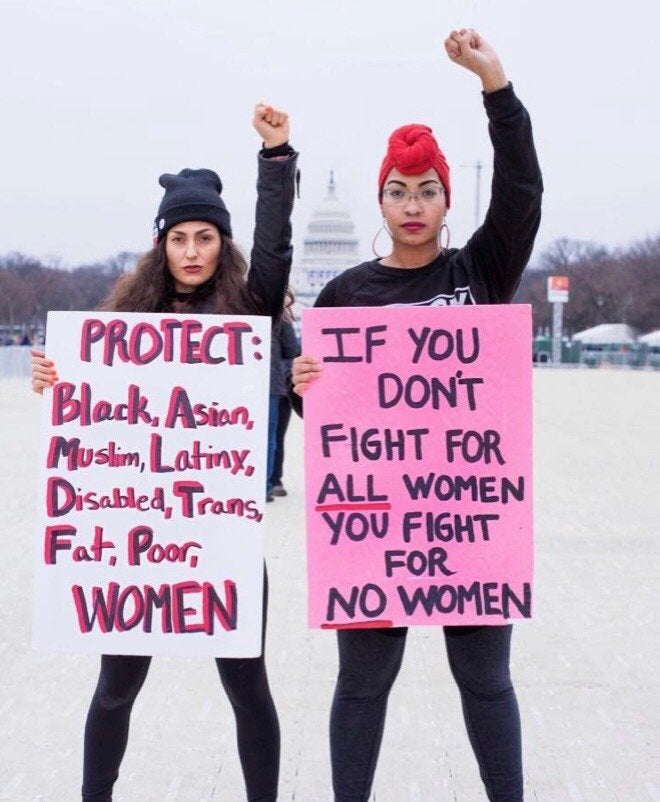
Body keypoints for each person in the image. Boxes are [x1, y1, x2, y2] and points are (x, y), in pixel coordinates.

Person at [291, 29, 542, 802]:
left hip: (464, 519)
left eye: (425, 189)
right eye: (398, 191)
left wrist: (495, 85)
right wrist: (303, 387)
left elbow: (523, 193)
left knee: (486, 682)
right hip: (380, 525)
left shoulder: (478, 272)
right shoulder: (344, 298)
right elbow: (333, 432)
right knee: (362, 686)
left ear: (445, 199)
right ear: (380, 200)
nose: (411, 205)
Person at [30, 103, 298, 802]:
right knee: (116, 688)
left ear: (221, 243)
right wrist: (53, 377)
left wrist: (276, 158)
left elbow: (273, 252)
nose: (190, 251)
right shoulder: (125, 321)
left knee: (248, 686)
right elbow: (87, 406)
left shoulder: (248, 314)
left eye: (204, 236)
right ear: (160, 245)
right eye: (178, 237)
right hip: (137, 542)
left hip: (221, 537)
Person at [267, 315, 300, 500]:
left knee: (274, 436)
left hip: (276, 385)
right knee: (273, 437)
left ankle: (272, 481)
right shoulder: (281, 319)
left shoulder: (282, 319)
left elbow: (291, 352)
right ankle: (269, 482)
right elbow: (291, 351)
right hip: (274, 385)